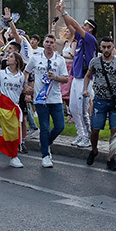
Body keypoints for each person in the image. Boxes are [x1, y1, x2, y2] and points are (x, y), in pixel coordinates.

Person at [56, 0, 96, 149]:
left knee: (83, 109)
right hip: (76, 77)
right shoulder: (79, 39)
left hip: (85, 78)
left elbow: (76, 26)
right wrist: (62, 14)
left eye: (86, 25)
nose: (83, 26)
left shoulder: (90, 39)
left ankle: (87, 136)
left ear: (91, 29)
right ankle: (81, 134)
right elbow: (71, 26)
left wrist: (64, 11)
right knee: (73, 108)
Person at [84, 35, 116, 171]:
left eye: (109, 47)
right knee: (95, 129)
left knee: (114, 130)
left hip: (114, 100)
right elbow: (87, 75)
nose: (106, 49)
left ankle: (111, 158)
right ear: (100, 47)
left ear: (113, 47)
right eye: (104, 47)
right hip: (99, 99)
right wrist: (86, 89)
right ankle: (94, 149)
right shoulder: (95, 62)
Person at [28, 33, 69, 167]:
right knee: (44, 127)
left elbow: (66, 78)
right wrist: (26, 87)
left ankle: (46, 142)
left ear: (55, 44)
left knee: (59, 126)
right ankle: (45, 155)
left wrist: (55, 77)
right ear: (43, 43)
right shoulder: (35, 58)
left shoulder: (60, 60)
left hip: (55, 98)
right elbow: (26, 72)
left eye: (52, 42)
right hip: (41, 100)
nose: (49, 45)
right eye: (47, 42)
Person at [0, 41, 27, 168]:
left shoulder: (21, 76)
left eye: (11, 56)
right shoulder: (1, 73)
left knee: (14, 131)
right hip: (4, 105)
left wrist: (28, 91)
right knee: (10, 131)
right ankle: (13, 156)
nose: (8, 57)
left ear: (16, 61)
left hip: (15, 106)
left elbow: (22, 89)